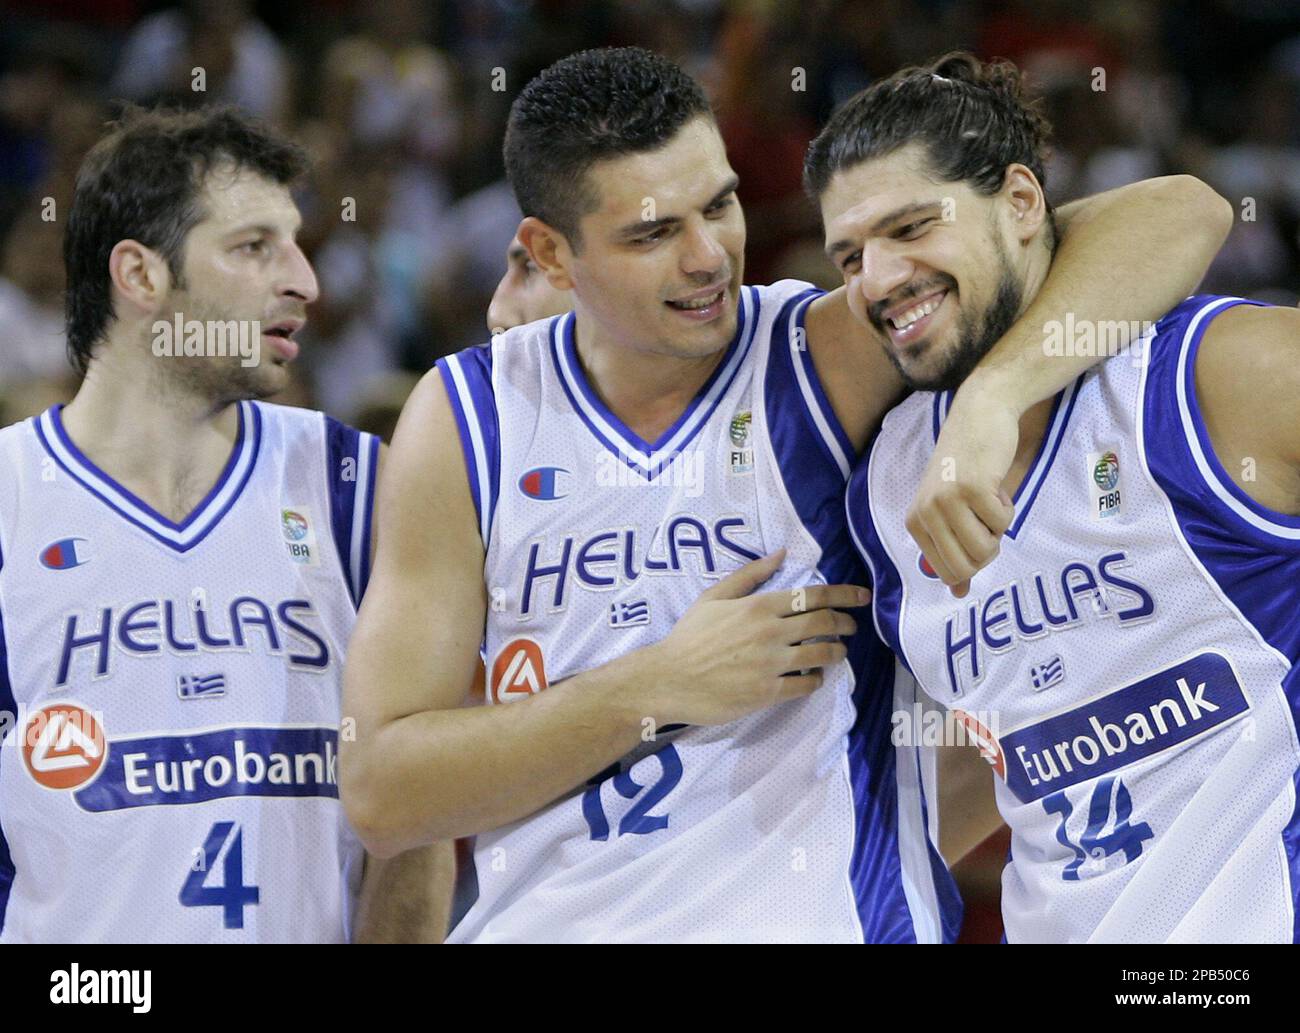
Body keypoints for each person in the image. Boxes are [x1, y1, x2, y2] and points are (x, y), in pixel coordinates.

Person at [341, 47, 1229, 943]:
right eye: (652, 235)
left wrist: (991, 402)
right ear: (549, 254)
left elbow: (1179, 212)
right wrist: (656, 684)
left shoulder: (824, 352)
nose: (707, 259)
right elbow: (383, 792)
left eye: (719, 205)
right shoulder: (467, 417)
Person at [815, 52, 1297, 943]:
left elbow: (1186, 204)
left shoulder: (1216, 380)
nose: (877, 280)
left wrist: (994, 398)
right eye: (850, 256)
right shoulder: (887, 487)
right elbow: (996, 752)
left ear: (1025, 203)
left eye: (913, 225)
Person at [0, 105, 449, 943]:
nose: (305, 282)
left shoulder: (353, 484)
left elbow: (418, 825)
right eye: (254, 247)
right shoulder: (9, 503)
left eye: (297, 242)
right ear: (140, 276)